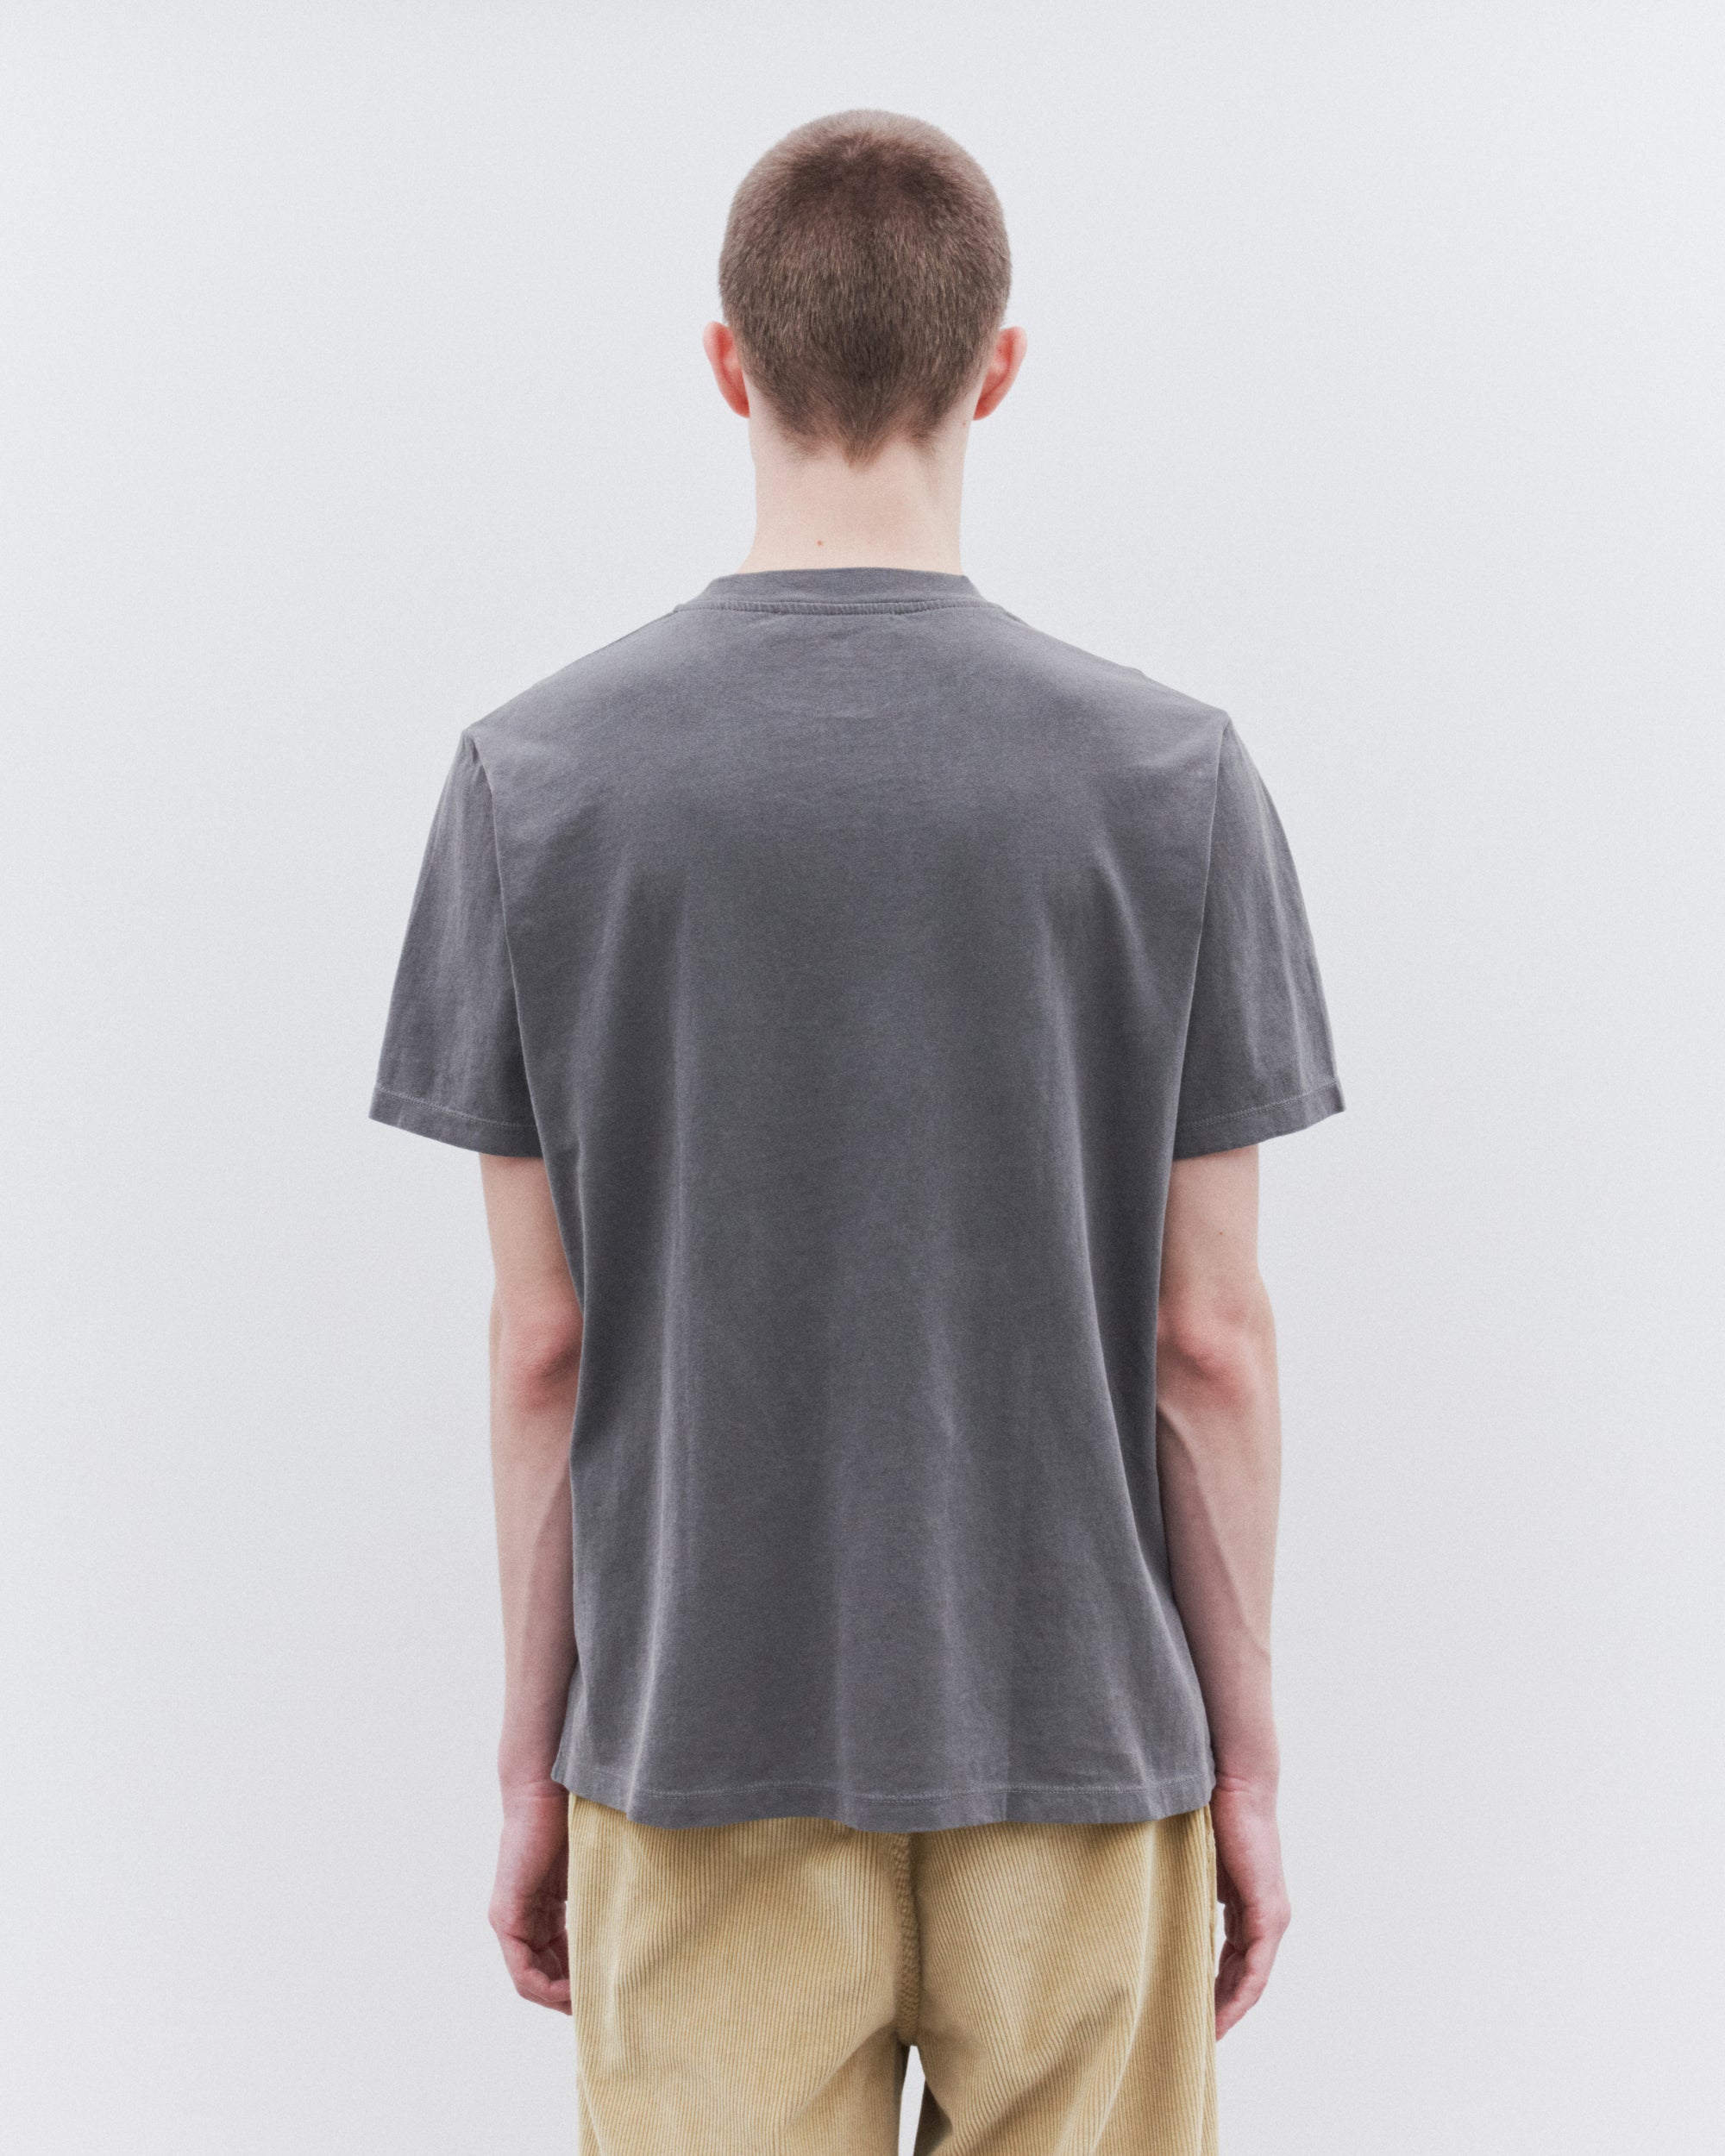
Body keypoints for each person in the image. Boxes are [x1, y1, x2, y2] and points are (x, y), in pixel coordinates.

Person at [371, 109, 1343, 2156]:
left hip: (693, 1750)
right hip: (1082, 1751)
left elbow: (541, 1344)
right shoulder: (1171, 782)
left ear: (727, 363)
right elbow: (1208, 1342)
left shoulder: (535, 782)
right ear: (998, 367)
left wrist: (531, 1761)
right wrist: (1245, 1765)